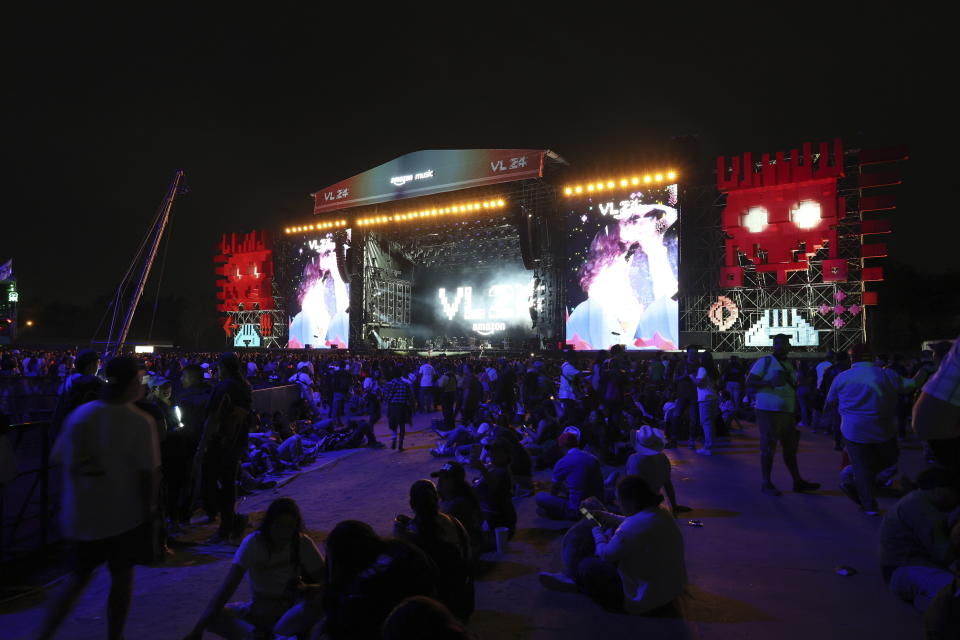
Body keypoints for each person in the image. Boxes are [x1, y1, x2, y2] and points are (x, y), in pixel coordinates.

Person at [39, 355, 161, 640]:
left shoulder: (80, 416)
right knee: (121, 579)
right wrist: (149, 515)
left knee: (75, 581)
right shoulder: (140, 421)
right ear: (133, 382)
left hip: (82, 515)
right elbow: (148, 475)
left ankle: (43, 634)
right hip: (123, 517)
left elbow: (61, 462)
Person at [539, 475, 686, 614]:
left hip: (645, 598)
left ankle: (574, 580)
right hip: (670, 589)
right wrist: (607, 517)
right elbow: (632, 522)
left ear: (632, 502)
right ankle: (576, 579)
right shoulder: (661, 513)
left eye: (619, 501)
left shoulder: (631, 528)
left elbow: (605, 555)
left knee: (588, 565)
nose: (618, 504)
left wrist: (597, 532)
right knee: (607, 539)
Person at [184, 498, 324, 640]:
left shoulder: (301, 542)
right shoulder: (253, 544)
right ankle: (269, 636)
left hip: (290, 611)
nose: (284, 533)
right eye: (278, 526)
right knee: (213, 615)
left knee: (320, 602)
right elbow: (227, 588)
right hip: (261, 610)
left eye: (289, 527)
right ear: (269, 524)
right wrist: (197, 630)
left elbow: (328, 582)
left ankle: (266, 636)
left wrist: (307, 588)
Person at [825, 343, 925, 515]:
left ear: (851, 358)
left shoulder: (842, 377)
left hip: (853, 430)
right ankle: (863, 482)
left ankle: (868, 504)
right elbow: (910, 385)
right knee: (890, 458)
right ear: (872, 358)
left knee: (862, 468)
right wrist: (926, 371)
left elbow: (830, 401)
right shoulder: (887, 375)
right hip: (882, 428)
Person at [746, 334, 820, 496]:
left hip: (787, 412)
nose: (780, 346)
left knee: (790, 448)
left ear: (789, 345)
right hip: (768, 411)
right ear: (773, 346)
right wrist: (770, 382)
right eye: (777, 343)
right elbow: (750, 382)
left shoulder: (789, 365)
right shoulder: (765, 361)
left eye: (784, 343)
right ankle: (767, 483)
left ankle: (797, 481)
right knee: (768, 447)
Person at [880, 466, 960, 612]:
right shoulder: (924, 511)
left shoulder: (917, 500)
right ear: (940, 490)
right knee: (952, 593)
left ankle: (926, 599)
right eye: (956, 494)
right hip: (906, 571)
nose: (956, 501)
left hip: (905, 569)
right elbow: (945, 556)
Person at [194, 352, 254, 544]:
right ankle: (229, 522)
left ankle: (227, 525)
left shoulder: (224, 388)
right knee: (228, 483)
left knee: (209, 483)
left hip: (220, 443)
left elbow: (213, 418)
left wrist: (202, 445)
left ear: (223, 368)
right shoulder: (245, 386)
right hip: (236, 442)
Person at [394, 480, 474, 621]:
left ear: (412, 505)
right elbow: (467, 555)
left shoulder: (409, 538)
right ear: (437, 499)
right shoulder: (454, 522)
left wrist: (399, 535)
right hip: (463, 600)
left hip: (435, 609)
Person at [535, 428, 605, 521]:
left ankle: (582, 517)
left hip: (579, 510)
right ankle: (590, 515)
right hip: (597, 504)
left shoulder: (562, 462)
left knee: (540, 497)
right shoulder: (592, 457)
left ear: (561, 447)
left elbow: (553, 492)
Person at [913, 337, 960, 472]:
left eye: (935, 352)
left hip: (944, 430)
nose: (932, 355)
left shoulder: (928, 369)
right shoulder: (938, 369)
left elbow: (912, 385)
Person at [625, 425, 686, 514]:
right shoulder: (663, 459)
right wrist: (674, 505)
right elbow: (667, 484)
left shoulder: (634, 459)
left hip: (638, 505)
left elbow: (629, 487)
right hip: (654, 502)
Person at [691, 349, 719, 455]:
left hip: (705, 399)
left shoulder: (702, 369)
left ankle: (708, 447)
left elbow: (699, 383)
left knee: (706, 423)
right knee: (711, 423)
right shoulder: (713, 370)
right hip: (713, 398)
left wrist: (691, 376)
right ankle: (711, 444)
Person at [384, 365, 415, 451]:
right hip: (402, 407)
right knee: (402, 426)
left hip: (393, 407)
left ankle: (394, 438)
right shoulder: (406, 384)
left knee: (393, 424)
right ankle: (400, 445)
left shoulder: (388, 384)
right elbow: (410, 397)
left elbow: (386, 398)